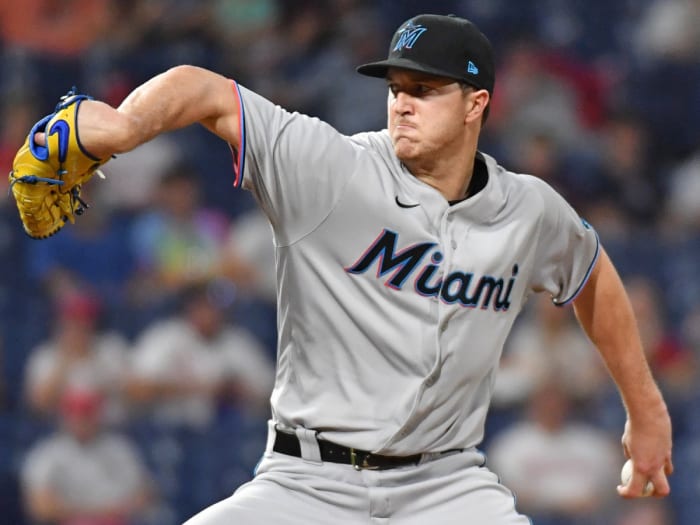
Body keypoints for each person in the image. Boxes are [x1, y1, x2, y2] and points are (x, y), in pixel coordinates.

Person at [28, 13, 672, 524]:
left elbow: (593, 277)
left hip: (446, 487)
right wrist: (119, 125)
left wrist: (646, 410)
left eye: (424, 90)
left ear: (477, 104)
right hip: (307, 484)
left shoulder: (529, 210)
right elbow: (205, 91)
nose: (402, 104)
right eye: (396, 89)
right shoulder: (334, 170)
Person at [20, 387, 155, 525]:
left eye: (86, 413)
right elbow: (41, 508)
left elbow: (143, 496)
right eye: (74, 413)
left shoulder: (120, 448)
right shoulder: (48, 452)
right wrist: (97, 512)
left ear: (98, 415)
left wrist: (112, 513)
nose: (81, 420)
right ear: (64, 417)